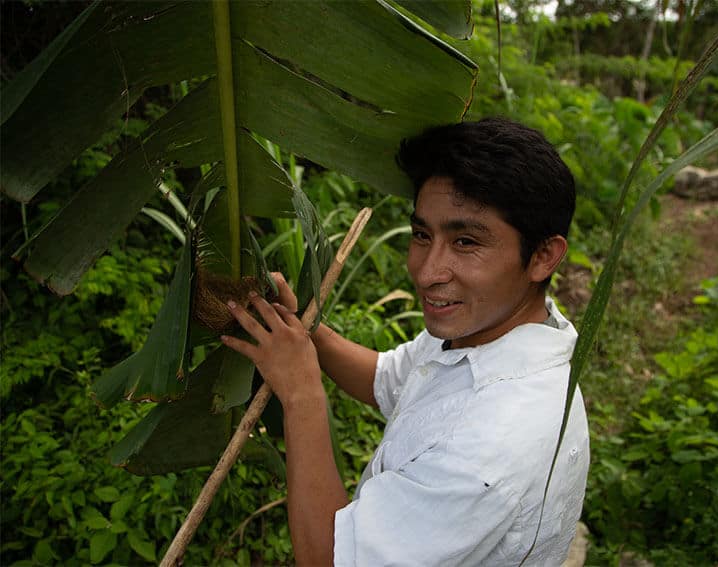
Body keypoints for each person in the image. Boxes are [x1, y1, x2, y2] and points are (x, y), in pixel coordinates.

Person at [221, 117, 590, 566]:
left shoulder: (492, 448)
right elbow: (389, 378)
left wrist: (301, 393)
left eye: (466, 241)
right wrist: (304, 330)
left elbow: (328, 561)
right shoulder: (491, 330)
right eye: (421, 235)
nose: (427, 272)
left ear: (542, 257)